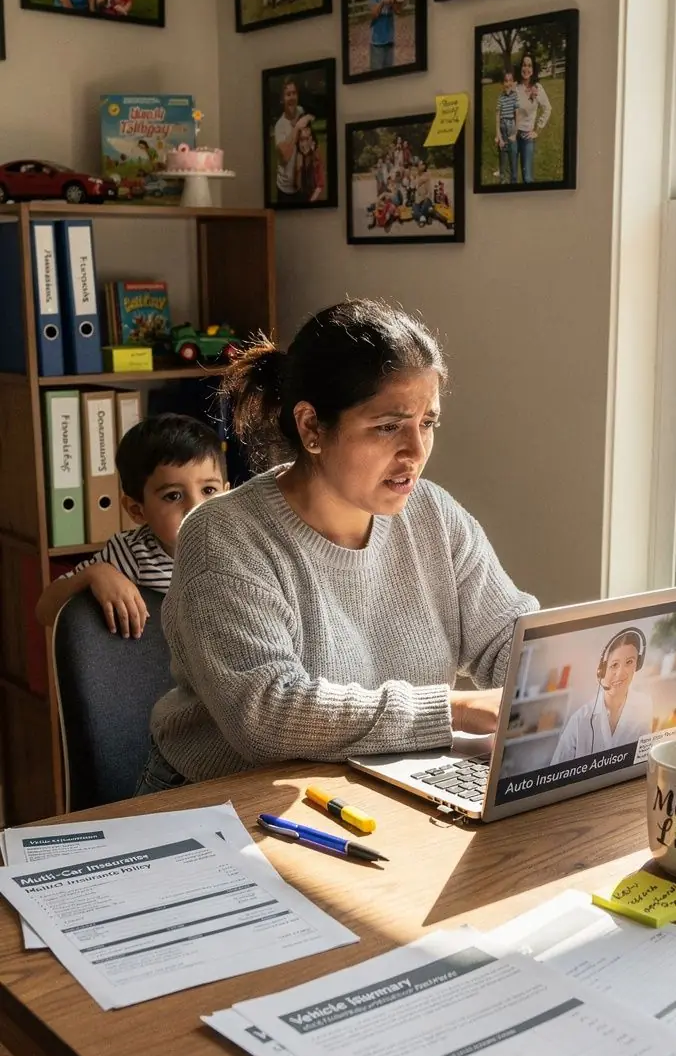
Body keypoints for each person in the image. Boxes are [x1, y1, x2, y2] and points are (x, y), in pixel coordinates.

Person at [140, 300, 538, 791]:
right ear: (311, 426)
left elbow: (509, 639)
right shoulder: (223, 536)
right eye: (388, 426)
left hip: (381, 782)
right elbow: (266, 713)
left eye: (427, 423)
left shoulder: (433, 513)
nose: (416, 452)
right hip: (221, 801)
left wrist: (552, 683)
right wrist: (454, 710)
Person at [35, 415, 228, 637]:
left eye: (209, 490)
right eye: (173, 495)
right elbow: (45, 610)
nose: (195, 507)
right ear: (137, 510)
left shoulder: (244, 546)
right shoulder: (134, 554)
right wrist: (95, 573)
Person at [549, 630, 654, 767]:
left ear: (638, 664)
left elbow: (644, 758)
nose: (621, 673)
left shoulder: (644, 705)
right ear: (602, 671)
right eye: (614, 665)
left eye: (629, 662)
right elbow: (556, 771)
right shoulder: (579, 720)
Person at [514, 53, 552, 184]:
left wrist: (537, 130)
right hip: (512, 136)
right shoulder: (515, 87)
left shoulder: (538, 88)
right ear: (520, 67)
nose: (526, 69)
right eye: (524, 65)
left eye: (529, 66)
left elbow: (547, 108)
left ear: (533, 69)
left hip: (527, 137)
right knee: (512, 177)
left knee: (527, 178)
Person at [274, 78, 313, 198]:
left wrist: (308, 117)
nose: (291, 97)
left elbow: (311, 117)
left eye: (294, 93)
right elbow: (285, 157)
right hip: (286, 191)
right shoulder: (280, 126)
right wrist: (296, 128)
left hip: (302, 184)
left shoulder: (300, 110)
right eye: (288, 94)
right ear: (282, 99)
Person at [495, 69, 519, 184]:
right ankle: (502, 181)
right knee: (502, 159)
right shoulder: (500, 97)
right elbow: (497, 118)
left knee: (513, 158)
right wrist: (498, 136)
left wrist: (515, 134)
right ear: (502, 83)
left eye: (510, 80)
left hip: (511, 127)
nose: (508, 83)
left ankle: (513, 182)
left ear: (513, 82)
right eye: (505, 81)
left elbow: (517, 116)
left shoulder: (515, 96)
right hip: (502, 127)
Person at [294, 120, 325, 203]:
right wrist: (298, 170)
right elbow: (297, 186)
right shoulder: (297, 156)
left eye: (307, 139)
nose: (304, 144)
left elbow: (320, 185)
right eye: (301, 140)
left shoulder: (316, 156)